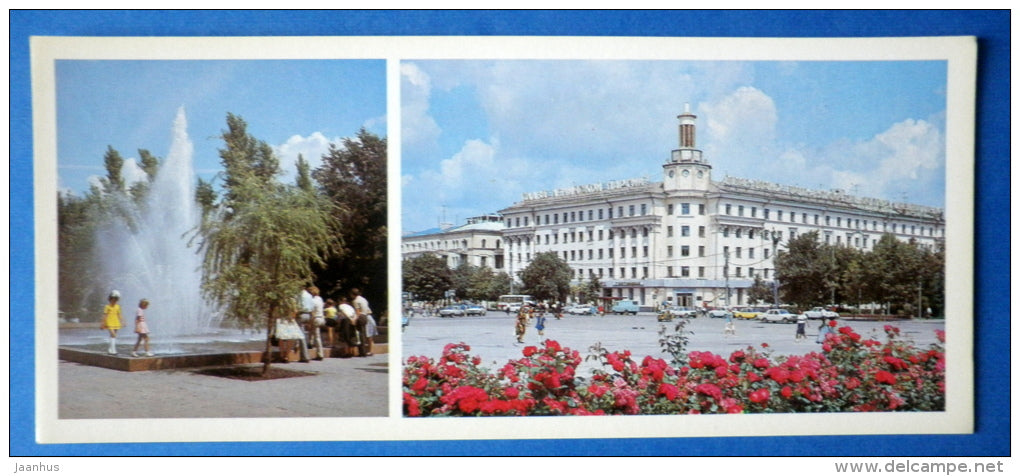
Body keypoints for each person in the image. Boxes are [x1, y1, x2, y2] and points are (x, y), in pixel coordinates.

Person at [351, 288, 376, 357]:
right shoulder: (363, 299)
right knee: (365, 335)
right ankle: (366, 351)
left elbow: (358, 312)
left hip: (361, 317)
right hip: (367, 316)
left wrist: (354, 320)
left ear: (352, 294)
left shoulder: (355, 301)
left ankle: (362, 352)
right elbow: (369, 310)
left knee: (360, 335)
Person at [100, 290, 123, 355]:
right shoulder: (107, 307)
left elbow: (119, 314)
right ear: (110, 298)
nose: (115, 300)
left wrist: (122, 321)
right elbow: (105, 315)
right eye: (113, 298)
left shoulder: (118, 306)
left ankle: (110, 349)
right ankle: (113, 350)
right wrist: (103, 323)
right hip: (109, 321)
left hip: (116, 322)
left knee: (113, 336)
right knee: (113, 335)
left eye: (116, 299)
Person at [309, 286, 326, 360]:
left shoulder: (312, 301)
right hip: (321, 318)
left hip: (316, 318)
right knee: (313, 333)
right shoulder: (320, 299)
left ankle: (320, 354)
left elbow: (312, 312)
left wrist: (310, 321)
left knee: (317, 337)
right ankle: (310, 343)